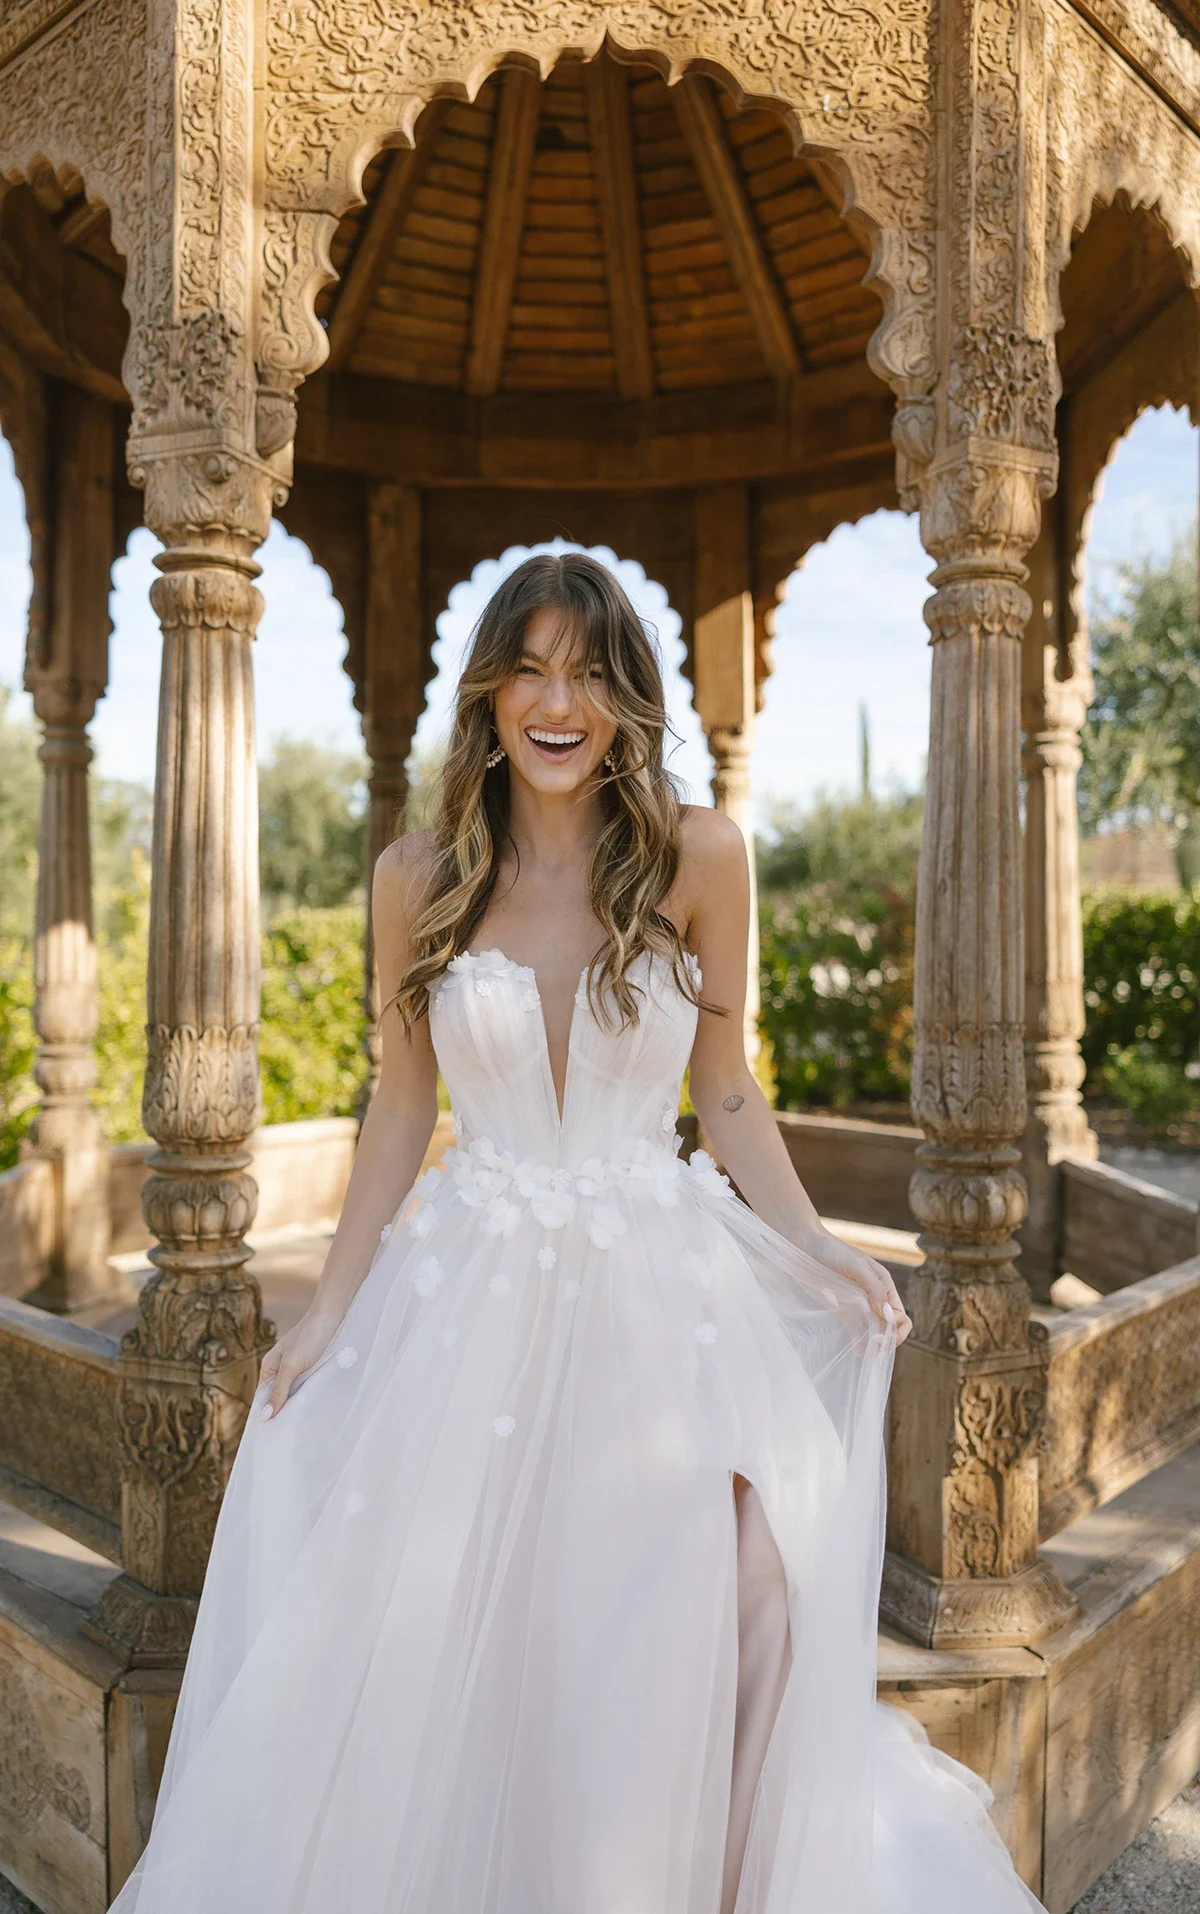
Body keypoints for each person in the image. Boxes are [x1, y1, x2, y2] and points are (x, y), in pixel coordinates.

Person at [111, 553, 1043, 1913]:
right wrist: (325, 1312)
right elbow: (401, 1101)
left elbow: (724, 1089)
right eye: (532, 669)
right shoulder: (416, 873)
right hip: (470, 1289)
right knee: (477, 1627)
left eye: (591, 672)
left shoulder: (699, 854)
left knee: (733, 1589)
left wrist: (823, 1247)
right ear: (488, 693)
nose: (560, 701)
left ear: (627, 699)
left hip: (661, 1289)